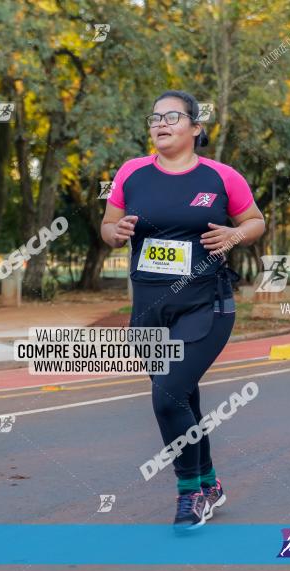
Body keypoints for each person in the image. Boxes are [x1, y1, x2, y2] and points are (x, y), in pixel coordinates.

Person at [100, 90, 265, 531]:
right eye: (155, 117)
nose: (161, 123)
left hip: (206, 306)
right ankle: (210, 482)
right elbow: (107, 226)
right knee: (183, 398)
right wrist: (116, 231)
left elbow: (255, 221)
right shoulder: (132, 173)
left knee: (168, 396)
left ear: (195, 127)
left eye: (172, 117)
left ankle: (190, 492)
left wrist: (234, 235)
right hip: (149, 310)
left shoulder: (221, 176)